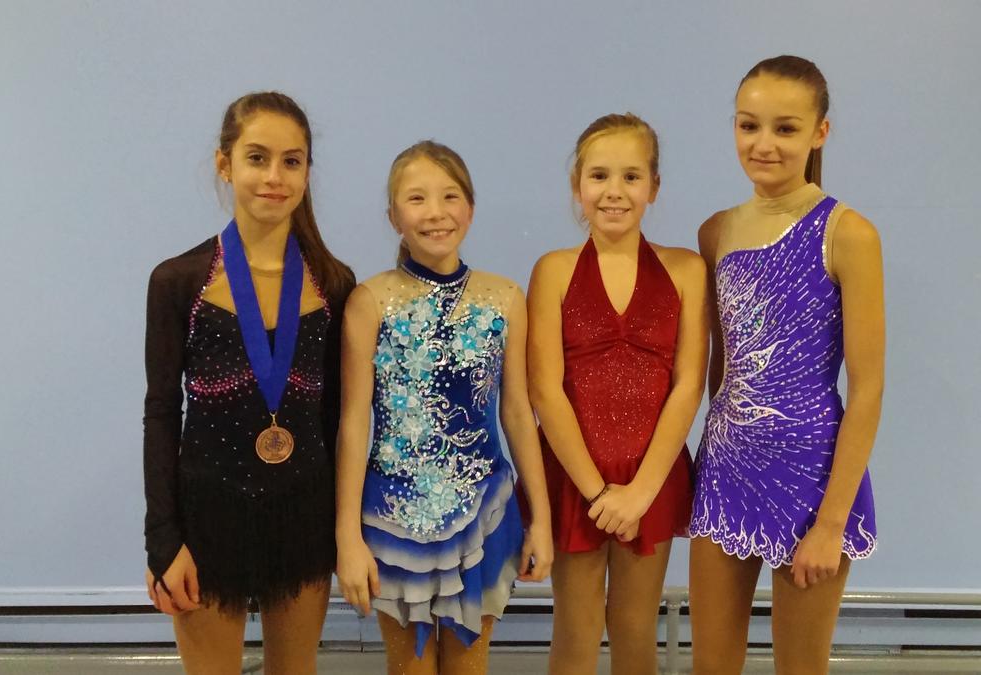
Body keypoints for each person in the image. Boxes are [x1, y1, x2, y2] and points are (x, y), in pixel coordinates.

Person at [142, 91, 355, 674]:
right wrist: (163, 541)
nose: (274, 177)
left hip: (304, 515)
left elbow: (339, 419)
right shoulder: (178, 281)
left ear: (307, 172)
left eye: (292, 161)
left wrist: (347, 531)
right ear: (224, 164)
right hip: (208, 517)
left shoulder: (333, 284)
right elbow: (161, 413)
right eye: (257, 158)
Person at [687, 55, 886, 675]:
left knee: (800, 666)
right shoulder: (715, 231)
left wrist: (831, 523)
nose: (764, 144)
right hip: (726, 468)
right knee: (710, 665)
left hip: (813, 476)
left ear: (820, 132)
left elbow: (868, 388)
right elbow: (721, 366)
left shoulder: (848, 233)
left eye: (786, 128)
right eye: (749, 126)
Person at [335, 141, 554, 675]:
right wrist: (346, 535)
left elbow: (518, 412)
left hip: (485, 510)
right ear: (394, 216)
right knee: (409, 667)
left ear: (471, 209)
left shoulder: (505, 297)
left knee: (468, 666)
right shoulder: (370, 300)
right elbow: (353, 422)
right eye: (417, 198)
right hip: (392, 516)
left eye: (450, 196)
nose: (435, 212)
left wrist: (542, 519)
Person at [528, 113, 708, 675]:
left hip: (650, 478)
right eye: (599, 175)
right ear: (577, 186)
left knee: (634, 629)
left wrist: (639, 493)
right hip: (576, 477)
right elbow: (545, 391)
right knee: (576, 631)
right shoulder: (554, 270)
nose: (614, 191)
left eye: (631, 177)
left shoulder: (686, 269)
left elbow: (688, 386)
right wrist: (598, 494)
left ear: (654, 186)